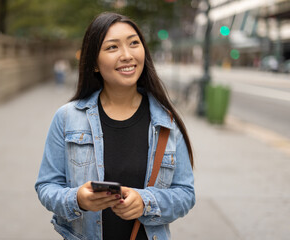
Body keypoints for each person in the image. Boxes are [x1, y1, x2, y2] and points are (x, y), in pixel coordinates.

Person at [35, 12, 195, 240]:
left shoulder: (165, 121)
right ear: (95, 64)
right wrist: (77, 199)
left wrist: (144, 203)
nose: (127, 55)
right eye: (112, 48)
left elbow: (186, 194)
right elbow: (47, 186)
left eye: (133, 43)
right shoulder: (67, 117)